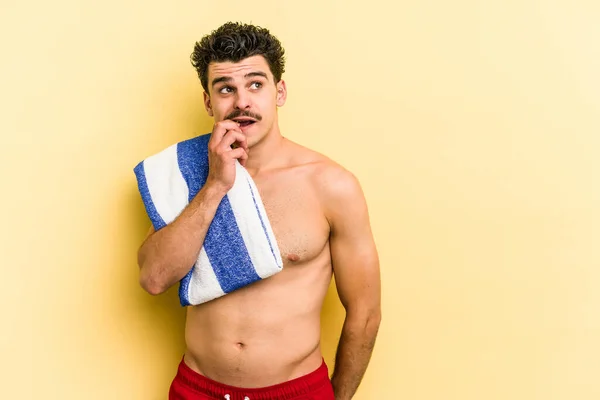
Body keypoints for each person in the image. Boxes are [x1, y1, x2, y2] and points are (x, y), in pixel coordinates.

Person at [137, 22, 381, 400]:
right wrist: (216, 185)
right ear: (208, 101)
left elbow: (364, 313)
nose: (241, 102)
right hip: (197, 389)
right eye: (225, 89)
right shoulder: (188, 175)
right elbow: (154, 278)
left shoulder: (331, 185)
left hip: (297, 391)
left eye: (255, 84)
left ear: (279, 91)